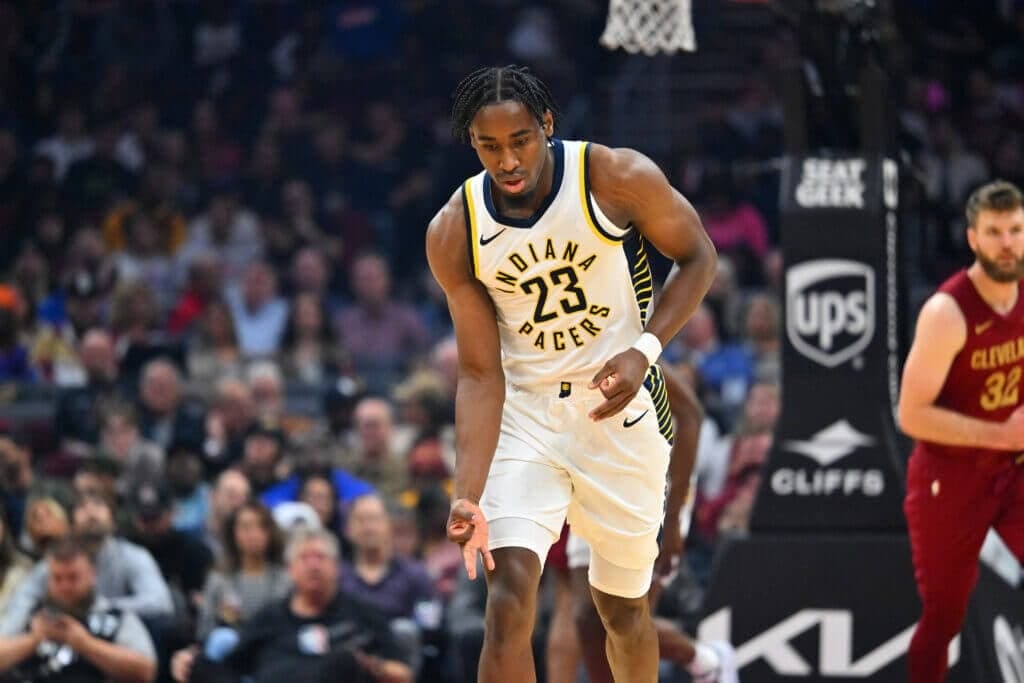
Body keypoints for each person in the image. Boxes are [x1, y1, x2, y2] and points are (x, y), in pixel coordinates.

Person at [426, 65, 716, 682]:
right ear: (472, 145)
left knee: (621, 612)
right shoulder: (456, 230)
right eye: (489, 146)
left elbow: (698, 256)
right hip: (526, 415)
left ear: (547, 127)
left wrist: (645, 349)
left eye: (520, 140)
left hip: (620, 414)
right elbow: (479, 373)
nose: (507, 159)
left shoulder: (614, 176)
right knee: (507, 608)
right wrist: (466, 490)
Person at [898, 180, 1024, 683]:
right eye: (994, 232)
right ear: (973, 238)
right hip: (948, 477)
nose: (1007, 242)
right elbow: (911, 415)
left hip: (1011, 470)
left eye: (1016, 230)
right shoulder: (946, 312)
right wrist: (1002, 436)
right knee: (944, 617)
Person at [569, 363, 737, 683]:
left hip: (651, 499)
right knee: (587, 620)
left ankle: (708, 662)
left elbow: (691, 416)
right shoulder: (567, 355)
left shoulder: (638, 356)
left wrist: (673, 519)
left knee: (627, 619)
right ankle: (705, 660)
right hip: (593, 494)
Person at [170, 528, 413, 683]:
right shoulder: (270, 615)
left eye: (321, 557)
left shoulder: (363, 613)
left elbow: (405, 674)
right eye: (304, 558)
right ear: (291, 570)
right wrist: (190, 661)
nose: (313, 565)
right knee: (197, 666)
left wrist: (373, 666)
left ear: (337, 568)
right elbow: (230, 666)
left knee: (343, 662)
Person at [0, 535, 157, 682]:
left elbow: (145, 670)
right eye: (57, 578)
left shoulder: (116, 616)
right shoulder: (31, 615)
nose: (65, 586)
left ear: (92, 575)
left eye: (73, 577)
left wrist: (85, 644)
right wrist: (33, 640)